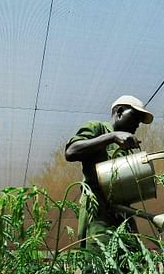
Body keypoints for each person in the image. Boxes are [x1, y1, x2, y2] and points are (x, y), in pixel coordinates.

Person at [65, 95, 154, 250]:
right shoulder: (98, 128)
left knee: (133, 266)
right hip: (99, 216)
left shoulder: (126, 147)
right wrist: (111, 137)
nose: (137, 125)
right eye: (135, 117)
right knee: (100, 264)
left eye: (140, 121)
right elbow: (71, 152)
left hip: (124, 217)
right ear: (119, 112)